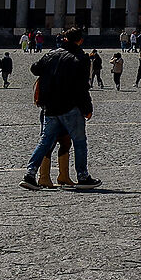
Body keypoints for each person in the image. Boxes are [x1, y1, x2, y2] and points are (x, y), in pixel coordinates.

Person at [25, 30, 99, 190]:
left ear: (65, 39)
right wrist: (87, 108)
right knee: (79, 142)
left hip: (50, 106)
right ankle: (83, 176)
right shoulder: (81, 59)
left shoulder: (52, 54)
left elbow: (35, 69)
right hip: (70, 106)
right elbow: (82, 87)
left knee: (45, 141)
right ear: (80, 41)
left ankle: (30, 174)